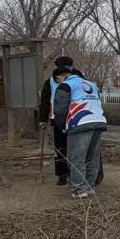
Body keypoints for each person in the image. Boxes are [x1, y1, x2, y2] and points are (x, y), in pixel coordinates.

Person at [52, 66, 107, 198]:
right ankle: (89, 186)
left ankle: (79, 189)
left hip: (79, 121)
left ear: (60, 77)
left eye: (57, 80)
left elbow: (60, 108)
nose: (58, 83)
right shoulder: (91, 84)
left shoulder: (66, 85)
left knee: (76, 157)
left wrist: (61, 126)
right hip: (98, 121)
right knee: (92, 157)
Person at [38, 55, 75, 185]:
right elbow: (45, 101)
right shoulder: (50, 82)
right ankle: (62, 174)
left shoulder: (76, 79)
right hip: (60, 119)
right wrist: (43, 119)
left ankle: (72, 173)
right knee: (60, 148)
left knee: (70, 147)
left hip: (73, 118)